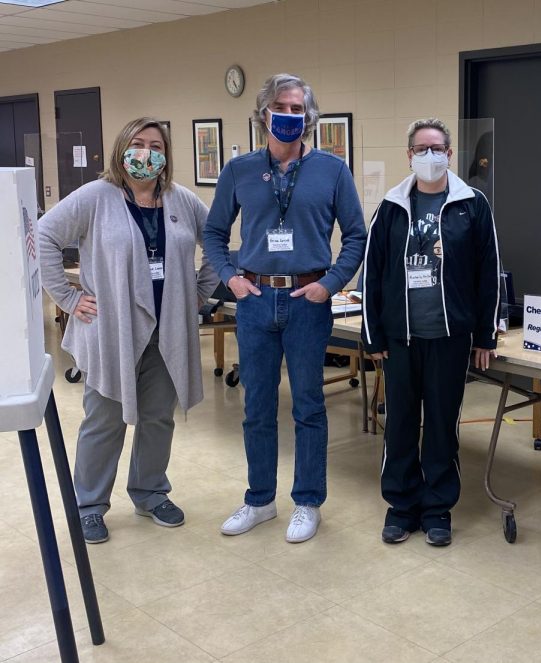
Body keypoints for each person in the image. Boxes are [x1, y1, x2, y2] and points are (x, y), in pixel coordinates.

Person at [39, 117, 219, 543]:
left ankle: (150, 492)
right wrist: (66, 298)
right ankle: (89, 504)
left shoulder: (182, 200)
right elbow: (44, 235)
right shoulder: (97, 197)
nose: (146, 153)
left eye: (156, 145)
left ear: (166, 155)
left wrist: (199, 294)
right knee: (105, 420)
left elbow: (216, 242)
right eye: (138, 143)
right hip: (112, 331)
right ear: (122, 148)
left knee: (158, 418)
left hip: (168, 331)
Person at [204, 73, 366, 543]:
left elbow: (356, 236)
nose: (290, 116)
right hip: (254, 300)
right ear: (263, 115)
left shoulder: (332, 171)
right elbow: (214, 234)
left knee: (309, 407)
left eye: (298, 109)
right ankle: (259, 500)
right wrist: (230, 278)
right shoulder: (238, 171)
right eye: (281, 106)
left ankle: (307, 502)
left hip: (307, 300)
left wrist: (333, 284)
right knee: (256, 406)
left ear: (309, 118)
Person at [361, 118, 500, 546]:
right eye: (420, 149)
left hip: (449, 338)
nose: (429, 156)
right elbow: (373, 273)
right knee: (401, 423)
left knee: (442, 424)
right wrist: (373, 336)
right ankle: (401, 505)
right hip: (401, 339)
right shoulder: (390, 207)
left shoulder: (471, 204)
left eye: (437, 148)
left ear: (450, 154)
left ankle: (438, 506)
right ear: (409, 156)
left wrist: (485, 336)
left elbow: (487, 274)